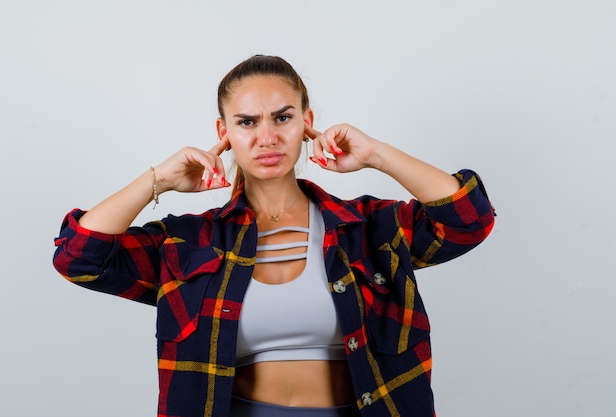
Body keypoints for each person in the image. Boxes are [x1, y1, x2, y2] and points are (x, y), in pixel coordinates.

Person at [53, 54, 495, 417]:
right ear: (223, 133)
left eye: (282, 117)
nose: (267, 137)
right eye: (246, 122)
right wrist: (159, 180)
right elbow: (79, 258)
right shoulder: (189, 243)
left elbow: (468, 220)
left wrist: (377, 154)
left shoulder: (368, 229)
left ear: (306, 122)